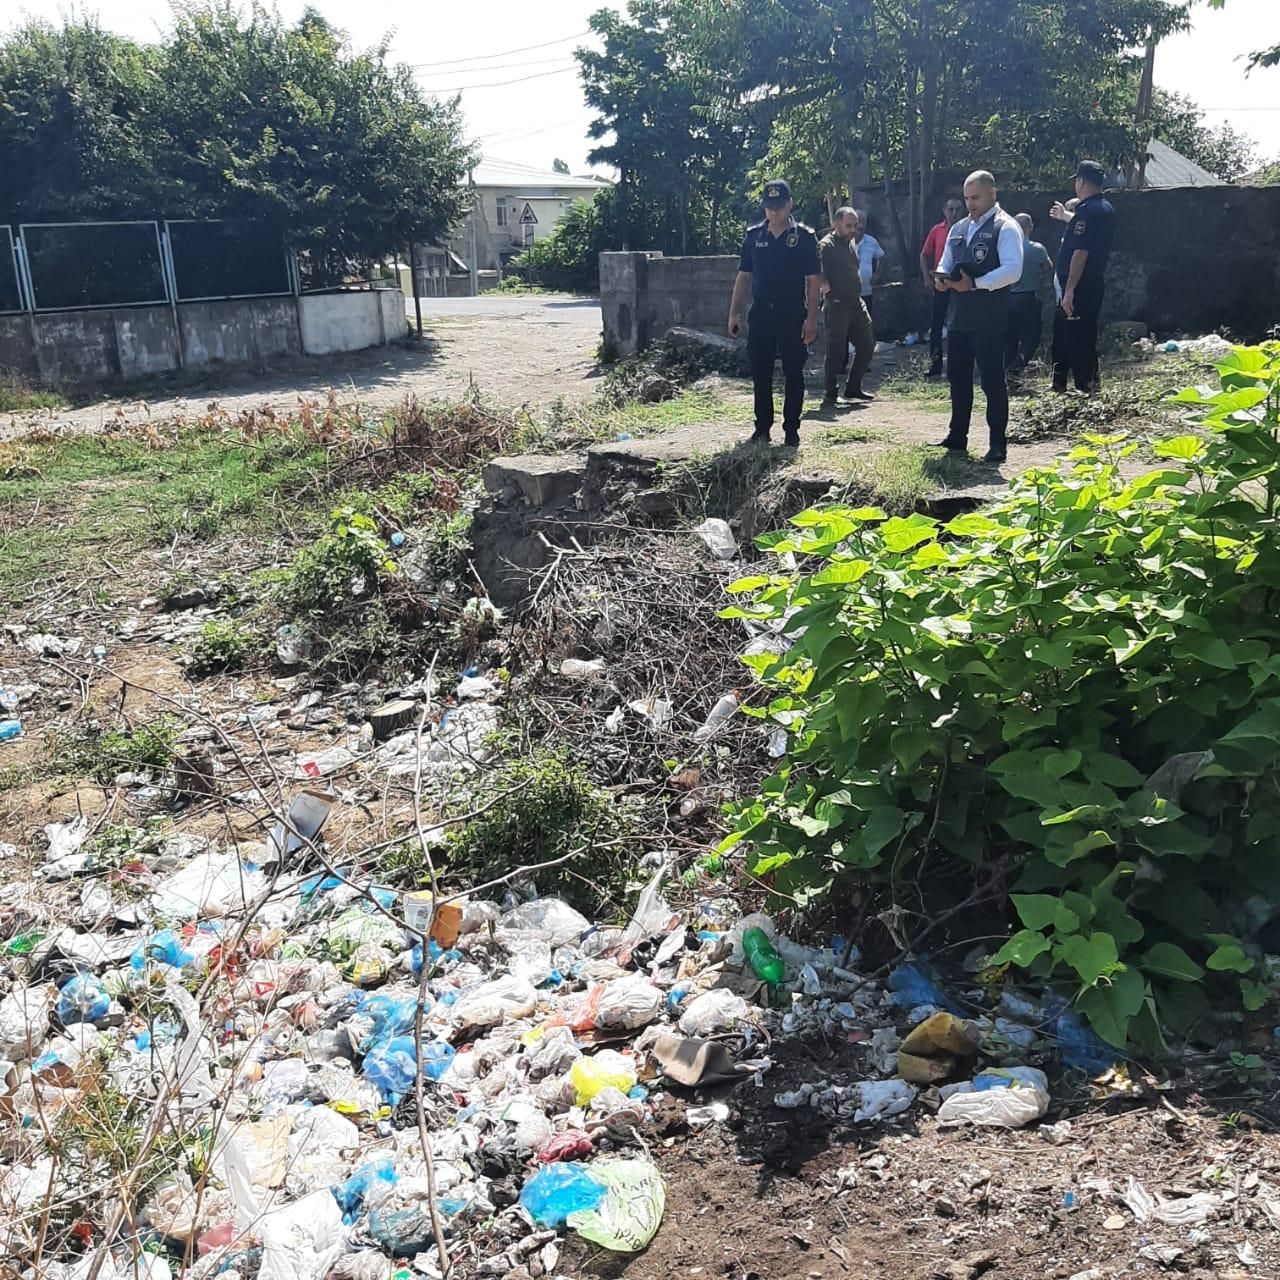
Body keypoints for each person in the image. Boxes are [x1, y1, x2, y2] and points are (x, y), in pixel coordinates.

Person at [932, 170, 1024, 465]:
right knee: (958, 380)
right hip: (958, 317)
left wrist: (976, 284)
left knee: (992, 382)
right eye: (966, 198)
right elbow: (945, 260)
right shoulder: (959, 228)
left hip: (989, 319)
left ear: (992, 194)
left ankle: (997, 444)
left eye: (976, 198)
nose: (970, 204)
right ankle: (957, 436)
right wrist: (941, 278)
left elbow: (1013, 270)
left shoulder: (1005, 227)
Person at [727, 179, 821, 446]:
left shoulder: (804, 237)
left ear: (789, 204)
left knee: (793, 372)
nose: (774, 211)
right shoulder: (754, 237)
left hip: (792, 314)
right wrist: (734, 313)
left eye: (779, 206)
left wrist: (812, 319)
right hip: (761, 315)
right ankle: (762, 428)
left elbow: (813, 280)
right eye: (769, 207)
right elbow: (744, 276)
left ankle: (791, 429)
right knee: (761, 373)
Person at [1051, 161, 1114, 394]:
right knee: (1074, 336)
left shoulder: (1087, 211)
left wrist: (1069, 290)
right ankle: (1079, 385)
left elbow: (1080, 252)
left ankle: (1086, 387)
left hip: (1080, 286)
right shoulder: (1104, 208)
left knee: (1078, 339)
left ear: (1081, 181)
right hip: (1089, 283)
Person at [817, 208, 876, 407]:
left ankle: (853, 387)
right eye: (848, 225)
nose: (853, 229)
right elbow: (813, 268)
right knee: (836, 350)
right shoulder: (826, 245)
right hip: (837, 304)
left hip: (856, 303)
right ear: (836, 224)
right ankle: (830, 392)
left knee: (867, 345)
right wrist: (823, 283)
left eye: (855, 225)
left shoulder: (850, 242)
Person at [920, 197, 964, 377]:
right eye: (951, 209)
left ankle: (957, 365)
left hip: (961, 283)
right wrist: (926, 278)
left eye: (958, 209)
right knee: (937, 324)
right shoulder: (937, 230)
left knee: (959, 325)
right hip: (941, 283)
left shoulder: (967, 228)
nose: (954, 213)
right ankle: (935, 365)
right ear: (944, 211)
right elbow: (924, 254)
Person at [1005, 213, 1052, 373]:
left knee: (1010, 340)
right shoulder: (1037, 249)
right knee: (1031, 338)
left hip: (1007, 298)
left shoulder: (1006, 248)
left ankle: (1007, 373)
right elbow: (1047, 267)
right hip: (1028, 297)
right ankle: (1016, 369)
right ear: (1030, 227)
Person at [853, 210, 884, 318]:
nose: (860, 225)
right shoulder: (844, 241)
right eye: (858, 222)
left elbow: (882, 258)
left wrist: (877, 275)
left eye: (863, 222)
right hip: (848, 294)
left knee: (866, 321)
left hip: (866, 292)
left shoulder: (871, 242)